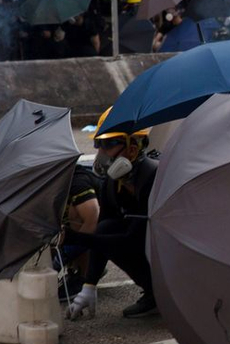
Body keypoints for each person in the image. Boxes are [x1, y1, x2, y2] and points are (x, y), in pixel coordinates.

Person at [64, 108, 158, 319]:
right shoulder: (112, 185)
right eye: (99, 144)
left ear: (133, 148)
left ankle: (175, 290)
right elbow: (102, 233)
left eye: (109, 144)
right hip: (155, 253)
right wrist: (89, 284)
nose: (102, 152)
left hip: (176, 256)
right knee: (106, 227)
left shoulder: (153, 179)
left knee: (119, 237)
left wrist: (76, 238)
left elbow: (130, 241)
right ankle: (155, 292)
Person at [54, 164, 101, 300]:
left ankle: (82, 276)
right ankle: (88, 266)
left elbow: (93, 219)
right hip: (98, 238)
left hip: (107, 231)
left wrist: (65, 254)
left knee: (76, 215)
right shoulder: (53, 181)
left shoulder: (76, 182)